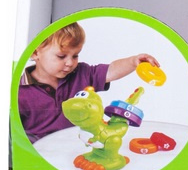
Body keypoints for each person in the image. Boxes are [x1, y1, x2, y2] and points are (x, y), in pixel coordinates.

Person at [18, 22, 160, 143]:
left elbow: (111, 71)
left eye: (75, 55)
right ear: (35, 53)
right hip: (40, 151)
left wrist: (133, 61)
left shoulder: (82, 73)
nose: (70, 63)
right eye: (61, 56)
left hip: (81, 144)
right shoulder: (18, 91)